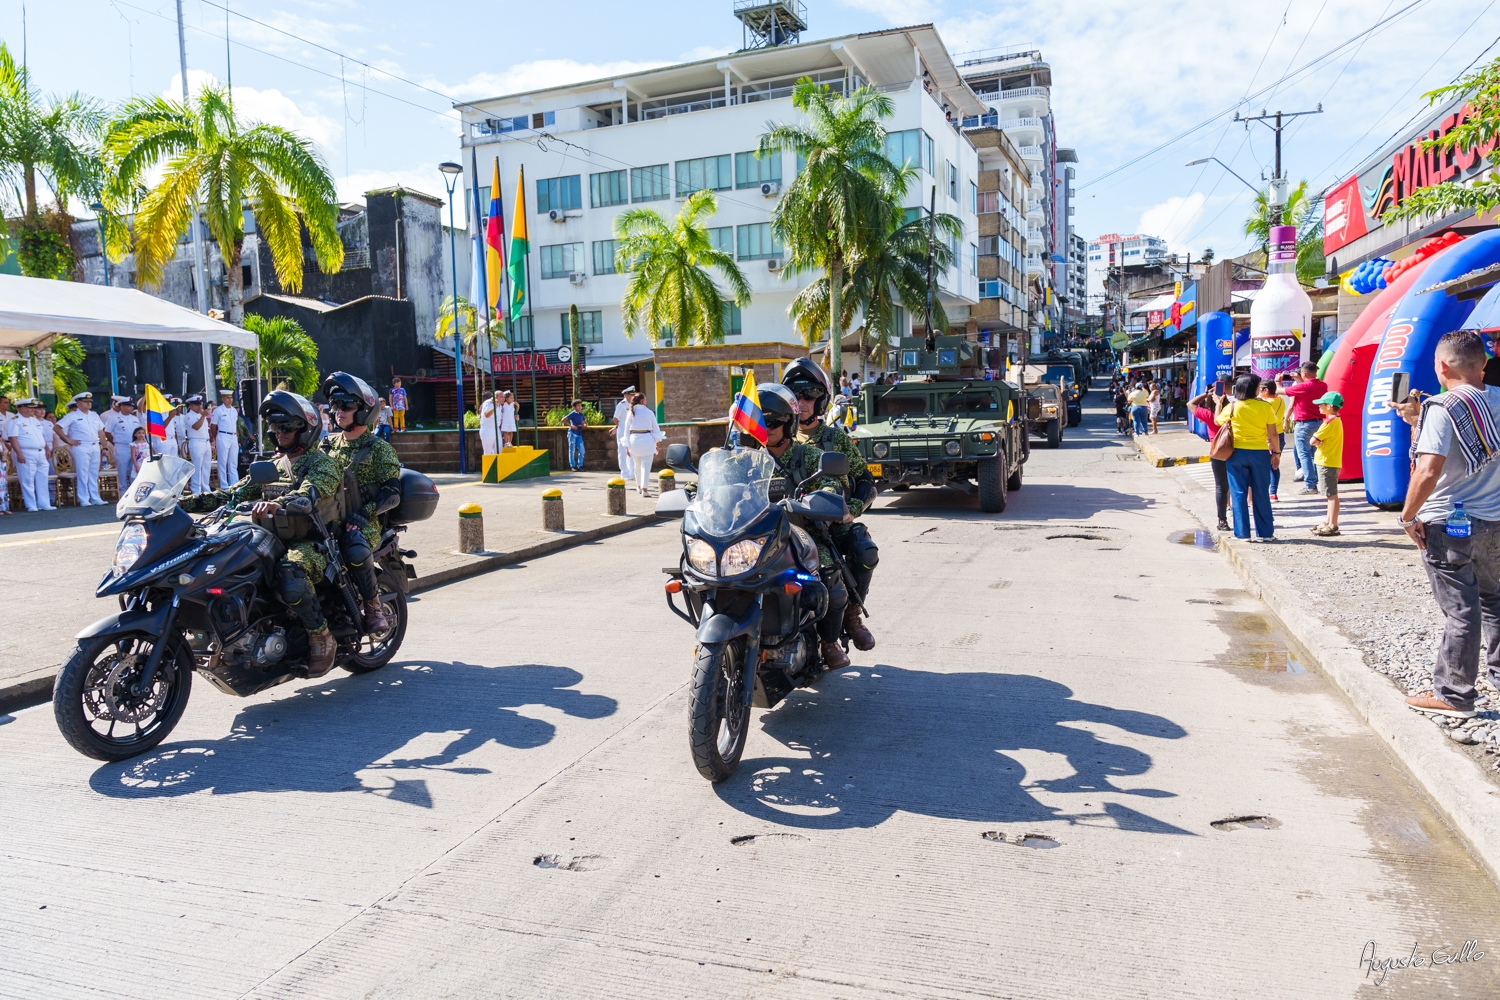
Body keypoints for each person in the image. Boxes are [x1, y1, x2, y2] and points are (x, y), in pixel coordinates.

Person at [182, 391, 342, 675]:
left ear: (304, 429)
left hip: (313, 542)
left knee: (290, 573)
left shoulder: (322, 463)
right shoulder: (273, 466)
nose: (280, 432)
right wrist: (178, 502)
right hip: (271, 539)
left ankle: (322, 637)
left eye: (287, 426)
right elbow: (232, 494)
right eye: (276, 427)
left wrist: (279, 503)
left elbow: (310, 493)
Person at [1394, 331, 1500, 720]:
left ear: (1441, 366)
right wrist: (1415, 421)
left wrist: (1407, 516)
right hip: (1495, 521)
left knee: (1461, 610)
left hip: (1448, 523)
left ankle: (1455, 695)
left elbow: (1428, 468)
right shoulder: (1497, 399)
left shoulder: (1443, 406)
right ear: (1482, 363)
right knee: (1494, 600)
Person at [782, 357, 877, 652]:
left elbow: (866, 480)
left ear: (822, 400)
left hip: (830, 524)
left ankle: (850, 615)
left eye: (810, 395)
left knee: (864, 550)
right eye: (797, 396)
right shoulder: (773, 438)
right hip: (783, 524)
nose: (803, 402)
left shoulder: (835, 438)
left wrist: (852, 511)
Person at [759, 382, 855, 670]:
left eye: (775, 422)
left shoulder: (808, 456)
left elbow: (831, 485)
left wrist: (820, 498)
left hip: (802, 536)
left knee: (831, 581)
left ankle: (828, 642)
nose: (768, 428)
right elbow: (701, 484)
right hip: (753, 538)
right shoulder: (743, 459)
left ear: (789, 423)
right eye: (762, 422)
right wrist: (692, 493)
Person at [321, 372, 403, 633]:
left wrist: (363, 515)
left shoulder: (379, 449)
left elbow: (392, 493)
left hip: (362, 523)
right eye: (336, 406)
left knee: (355, 550)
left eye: (346, 406)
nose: (339, 412)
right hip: (326, 518)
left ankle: (373, 606)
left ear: (364, 411)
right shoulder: (326, 446)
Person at [1222, 373, 1282, 542]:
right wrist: (1276, 453)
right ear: (1254, 389)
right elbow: (1273, 433)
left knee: (1238, 493)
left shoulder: (1233, 407)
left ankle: (1242, 534)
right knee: (1261, 492)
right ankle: (1265, 533)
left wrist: (1220, 404)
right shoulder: (1265, 407)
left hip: (1236, 454)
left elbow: (1218, 421)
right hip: (1260, 453)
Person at [1282, 362, 1330, 493]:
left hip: (1303, 424)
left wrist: (1277, 381)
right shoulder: (1323, 385)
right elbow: (1309, 389)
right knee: (1315, 454)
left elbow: (1280, 390)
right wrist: (1299, 380)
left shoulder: (1303, 386)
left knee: (1304, 455)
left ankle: (1310, 485)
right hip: (1318, 423)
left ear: (1304, 373)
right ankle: (1316, 481)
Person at [1188, 387, 1231, 532]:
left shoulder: (1207, 414)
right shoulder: (1231, 411)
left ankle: (1222, 520)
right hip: (1234, 451)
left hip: (1217, 452)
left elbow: (1190, 404)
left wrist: (1207, 394)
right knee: (1237, 486)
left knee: (1221, 487)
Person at [57, 391, 107, 506]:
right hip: (81, 446)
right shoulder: (72, 416)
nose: (88, 404)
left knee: (94, 473)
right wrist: (68, 440)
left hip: (94, 445)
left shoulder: (94, 415)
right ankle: (84, 498)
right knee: (83, 473)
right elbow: (57, 427)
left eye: (89, 401)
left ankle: (95, 497)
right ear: (78, 403)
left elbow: (101, 432)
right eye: (85, 401)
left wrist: (105, 447)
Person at [7, 398, 54, 511]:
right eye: (30, 408)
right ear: (22, 408)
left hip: (40, 452)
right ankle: (31, 505)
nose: (33, 410)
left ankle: (44, 503)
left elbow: (41, 436)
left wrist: (46, 448)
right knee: (27, 480)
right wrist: (19, 453)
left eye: (33, 408)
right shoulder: (15, 421)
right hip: (26, 452)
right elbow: (13, 438)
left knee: (42, 478)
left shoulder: (35, 421)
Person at [1309, 391, 1345, 537]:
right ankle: (1329, 521)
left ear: (1329, 407)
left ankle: (1332, 524)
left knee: (1331, 495)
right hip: (1331, 461)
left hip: (1326, 461)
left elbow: (1312, 440)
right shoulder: (1337, 420)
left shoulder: (1329, 422)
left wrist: (1318, 443)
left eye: (1322, 404)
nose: (1319, 407)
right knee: (1331, 494)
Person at [623, 392, 662, 495]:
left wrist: (627, 446)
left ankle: (639, 486)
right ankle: (644, 489)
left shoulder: (630, 413)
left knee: (637, 465)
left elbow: (626, 431)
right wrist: (657, 444)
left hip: (634, 440)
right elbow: (656, 429)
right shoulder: (649, 412)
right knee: (646, 466)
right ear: (642, 400)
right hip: (647, 440)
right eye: (645, 399)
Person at [1258, 378, 1287, 502]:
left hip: (1270, 436)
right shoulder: (1280, 400)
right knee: (1274, 464)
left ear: (1266, 390)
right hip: (1279, 434)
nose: (1258, 392)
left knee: (1267, 466)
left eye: (1260, 390)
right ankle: (1273, 492)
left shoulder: (1267, 403)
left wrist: (1269, 440)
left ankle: (1268, 492)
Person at [102, 396, 140, 488]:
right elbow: (107, 432)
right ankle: (122, 490)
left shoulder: (135, 419)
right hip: (122, 447)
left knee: (133, 470)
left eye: (131, 406)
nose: (131, 408)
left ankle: (133, 489)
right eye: (128, 406)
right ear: (122, 407)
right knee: (122, 470)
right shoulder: (114, 418)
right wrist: (115, 442)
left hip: (134, 446)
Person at [181, 395, 213, 494]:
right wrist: (204, 415)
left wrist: (205, 415)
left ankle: (205, 489)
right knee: (197, 467)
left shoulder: (200, 415)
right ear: (190, 406)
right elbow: (196, 427)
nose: (199, 406)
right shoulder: (188, 416)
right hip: (196, 442)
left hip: (205, 441)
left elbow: (206, 427)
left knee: (206, 467)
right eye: (196, 405)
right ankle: (196, 490)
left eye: (200, 404)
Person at [210, 388, 241, 490]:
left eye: (231, 398)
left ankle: (234, 484)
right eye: (227, 398)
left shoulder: (233, 411)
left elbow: (234, 425)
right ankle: (224, 485)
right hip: (223, 435)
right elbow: (213, 426)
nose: (230, 400)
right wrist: (216, 438)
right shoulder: (218, 410)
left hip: (233, 436)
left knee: (233, 462)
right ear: (223, 399)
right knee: (222, 462)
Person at [612, 386, 636, 481]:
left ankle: (631, 472)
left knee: (631, 451)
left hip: (631, 431)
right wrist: (618, 426)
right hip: (622, 431)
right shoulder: (621, 405)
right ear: (626, 395)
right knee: (622, 451)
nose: (633, 396)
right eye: (631, 394)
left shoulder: (633, 405)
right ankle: (624, 472)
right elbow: (615, 418)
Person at [565, 399, 587, 471]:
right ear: (574, 407)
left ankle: (580, 465)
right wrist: (571, 426)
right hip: (572, 433)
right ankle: (573, 466)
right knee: (572, 450)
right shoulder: (572, 414)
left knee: (581, 450)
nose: (580, 407)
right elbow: (563, 419)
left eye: (580, 405)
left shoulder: (581, 414)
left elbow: (586, 423)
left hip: (579, 433)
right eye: (578, 406)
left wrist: (584, 425)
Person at [479, 390, 502, 455]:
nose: (503, 399)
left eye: (504, 397)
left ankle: (498, 465)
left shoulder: (500, 406)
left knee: (498, 450)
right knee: (488, 452)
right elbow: (486, 414)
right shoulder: (488, 402)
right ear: (495, 397)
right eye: (501, 397)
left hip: (496, 429)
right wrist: (494, 408)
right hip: (487, 429)